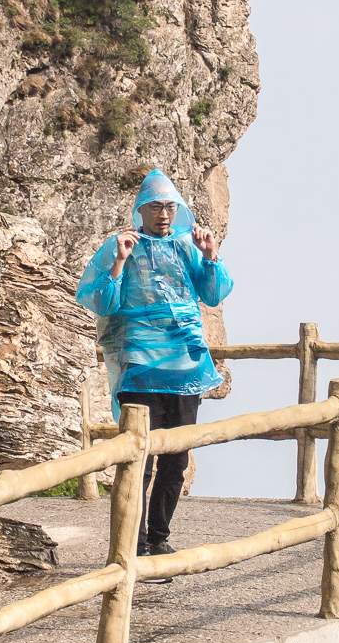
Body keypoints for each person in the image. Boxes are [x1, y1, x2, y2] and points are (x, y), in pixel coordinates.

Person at [76, 168, 233, 558]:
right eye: (155, 207)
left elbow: (214, 294)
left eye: (170, 207)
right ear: (140, 210)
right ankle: (134, 543)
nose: (163, 214)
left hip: (186, 369)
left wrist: (210, 255)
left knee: (176, 460)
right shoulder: (121, 246)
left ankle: (159, 537)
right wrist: (118, 261)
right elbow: (100, 301)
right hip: (140, 370)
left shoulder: (187, 246)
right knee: (138, 460)